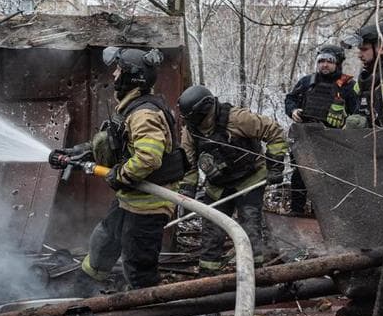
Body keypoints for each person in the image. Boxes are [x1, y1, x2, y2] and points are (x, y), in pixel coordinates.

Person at [48, 47, 185, 293]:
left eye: (118, 70)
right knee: (104, 241)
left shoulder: (144, 114)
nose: (114, 75)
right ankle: (84, 289)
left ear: (132, 76)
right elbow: (115, 143)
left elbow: (148, 158)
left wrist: (119, 174)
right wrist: (77, 153)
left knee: (138, 262)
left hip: (149, 203)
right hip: (131, 198)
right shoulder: (132, 109)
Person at [177, 85, 288, 271]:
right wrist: (187, 191)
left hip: (249, 179)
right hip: (218, 186)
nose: (191, 123)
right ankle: (207, 274)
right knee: (212, 229)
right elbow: (188, 163)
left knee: (250, 225)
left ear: (205, 110)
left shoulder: (237, 118)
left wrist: (275, 166)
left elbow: (274, 132)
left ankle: (254, 273)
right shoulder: (191, 131)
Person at [283, 45, 357, 214]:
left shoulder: (348, 85)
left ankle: (324, 217)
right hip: (305, 138)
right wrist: (293, 110)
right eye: (321, 61)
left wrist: (348, 123)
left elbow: (358, 113)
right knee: (300, 176)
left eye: (329, 61)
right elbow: (290, 99)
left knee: (329, 182)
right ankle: (296, 213)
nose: (324, 65)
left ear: (337, 63)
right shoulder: (307, 82)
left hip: (333, 142)